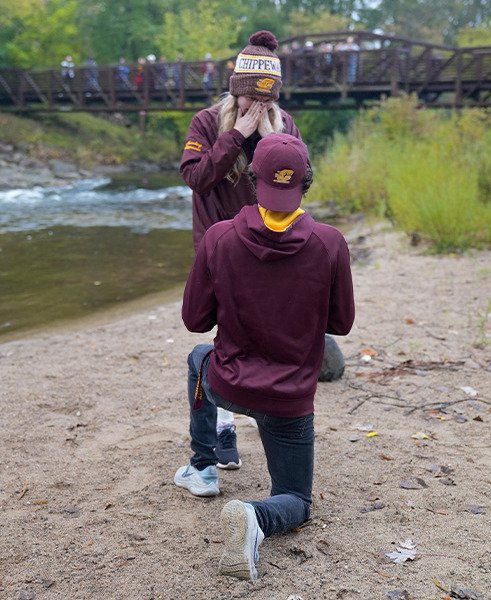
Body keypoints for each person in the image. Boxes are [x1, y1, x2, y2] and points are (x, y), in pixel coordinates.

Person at [174, 132, 355, 581]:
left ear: (252, 179)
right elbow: (341, 324)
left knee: (201, 356)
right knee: (295, 500)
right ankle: (256, 516)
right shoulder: (330, 243)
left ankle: (205, 463)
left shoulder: (218, 238)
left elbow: (196, 320)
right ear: (306, 182)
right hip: (289, 399)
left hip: (230, 383)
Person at [180, 30, 346, 470]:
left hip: (277, 245)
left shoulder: (285, 123)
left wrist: (274, 137)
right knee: (224, 336)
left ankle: (256, 422)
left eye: (267, 101)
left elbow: (301, 181)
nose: (260, 108)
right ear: (235, 90)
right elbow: (195, 179)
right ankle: (223, 435)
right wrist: (236, 136)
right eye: (251, 100)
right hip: (220, 247)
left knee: (259, 335)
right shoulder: (207, 121)